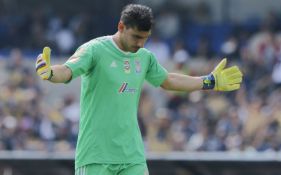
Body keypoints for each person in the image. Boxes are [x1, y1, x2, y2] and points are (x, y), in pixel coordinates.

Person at [35, 4, 243, 175]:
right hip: (96, 155)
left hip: (131, 155)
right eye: (136, 37)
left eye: (145, 37)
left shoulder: (144, 58)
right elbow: (67, 71)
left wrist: (209, 81)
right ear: (121, 26)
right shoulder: (94, 50)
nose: (141, 44)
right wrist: (50, 73)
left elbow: (168, 80)